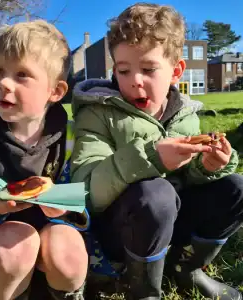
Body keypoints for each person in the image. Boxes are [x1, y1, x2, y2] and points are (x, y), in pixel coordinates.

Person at [70, 3, 243, 300]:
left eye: (148, 69)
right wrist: (150, 156)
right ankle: (142, 288)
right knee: (157, 193)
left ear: (176, 71)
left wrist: (208, 167)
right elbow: (86, 191)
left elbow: (189, 179)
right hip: (122, 232)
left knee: (236, 187)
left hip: (172, 225)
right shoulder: (98, 113)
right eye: (123, 70)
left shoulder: (185, 115)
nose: (135, 80)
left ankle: (186, 268)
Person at [0, 20, 88, 300]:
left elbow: (90, 194)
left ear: (55, 92)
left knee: (67, 248)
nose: (4, 84)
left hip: (52, 241)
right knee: (16, 245)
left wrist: (67, 207)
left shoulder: (71, 139)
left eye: (22, 75)